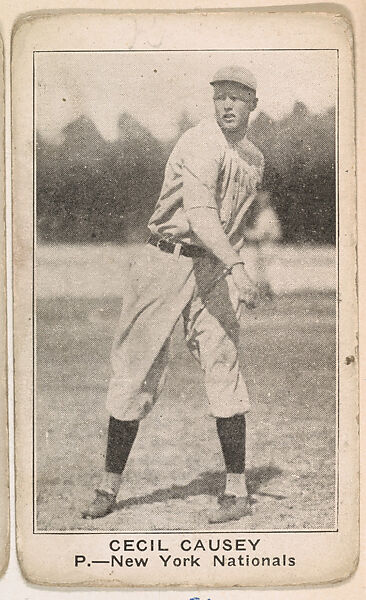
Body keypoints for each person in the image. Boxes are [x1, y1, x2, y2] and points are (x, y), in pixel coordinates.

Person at [82, 65, 264, 523]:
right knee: (136, 371)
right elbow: (201, 215)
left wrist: (233, 273)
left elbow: (233, 227)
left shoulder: (253, 158)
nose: (227, 104)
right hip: (164, 259)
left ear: (252, 106)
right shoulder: (200, 141)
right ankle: (108, 486)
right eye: (220, 95)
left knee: (224, 362)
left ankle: (237, 491)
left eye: (237, 97)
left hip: (213, 268)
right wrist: (238, 267)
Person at [244, 190, 282, 299]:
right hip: (262, 246)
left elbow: (262, 234)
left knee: (269, 272)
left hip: (269, 245)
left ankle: (270, 294)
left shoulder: (267, 214)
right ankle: (264, 293)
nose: (260, 202)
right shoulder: (261, 213)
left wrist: (245, 234)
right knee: (260, 272)